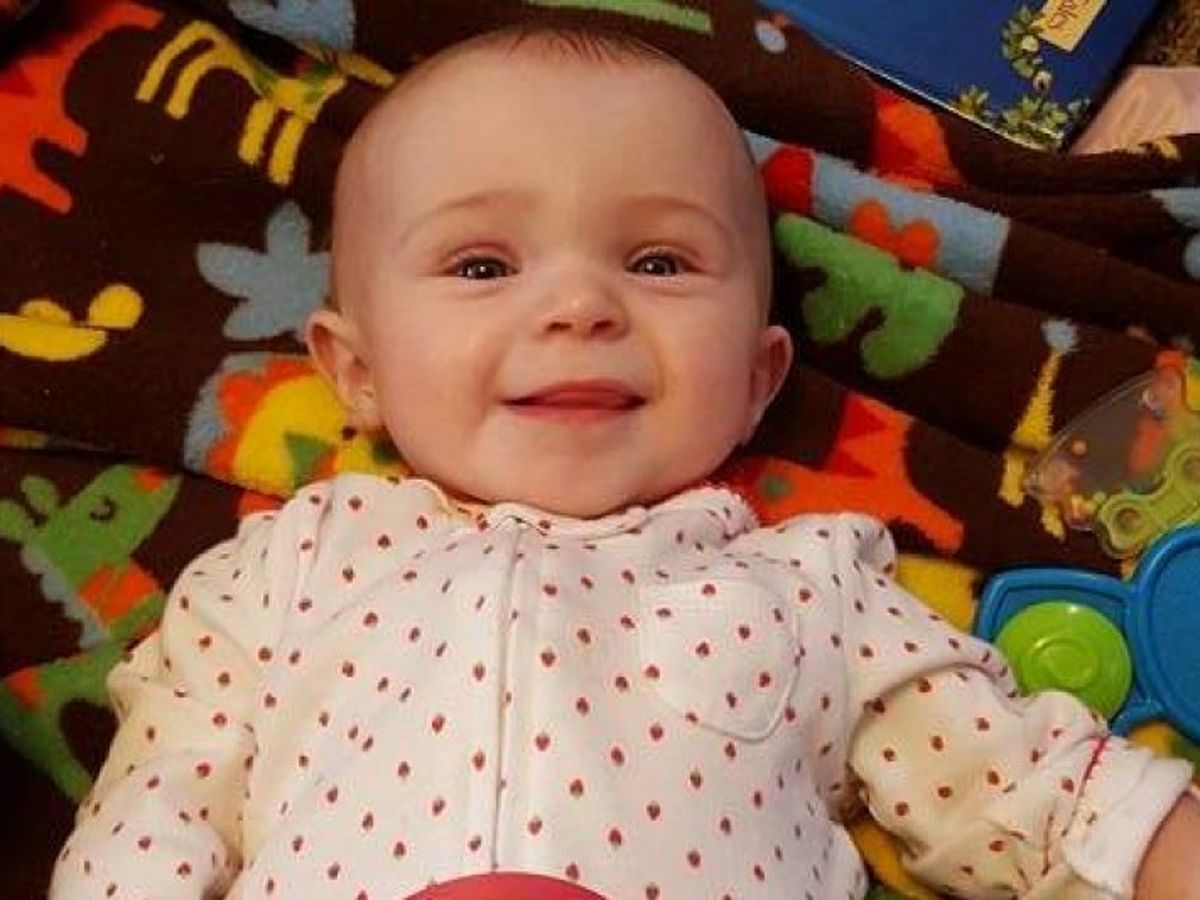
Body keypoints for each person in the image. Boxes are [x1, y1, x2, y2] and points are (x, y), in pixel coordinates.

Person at [50, 24, 1199, 900]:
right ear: (354, 369)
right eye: (483, 266)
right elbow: (155, 808)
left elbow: (1025, 790)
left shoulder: (817, 585)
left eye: (658, 262)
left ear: (758, 376)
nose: (581, 305)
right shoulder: (286, 568)